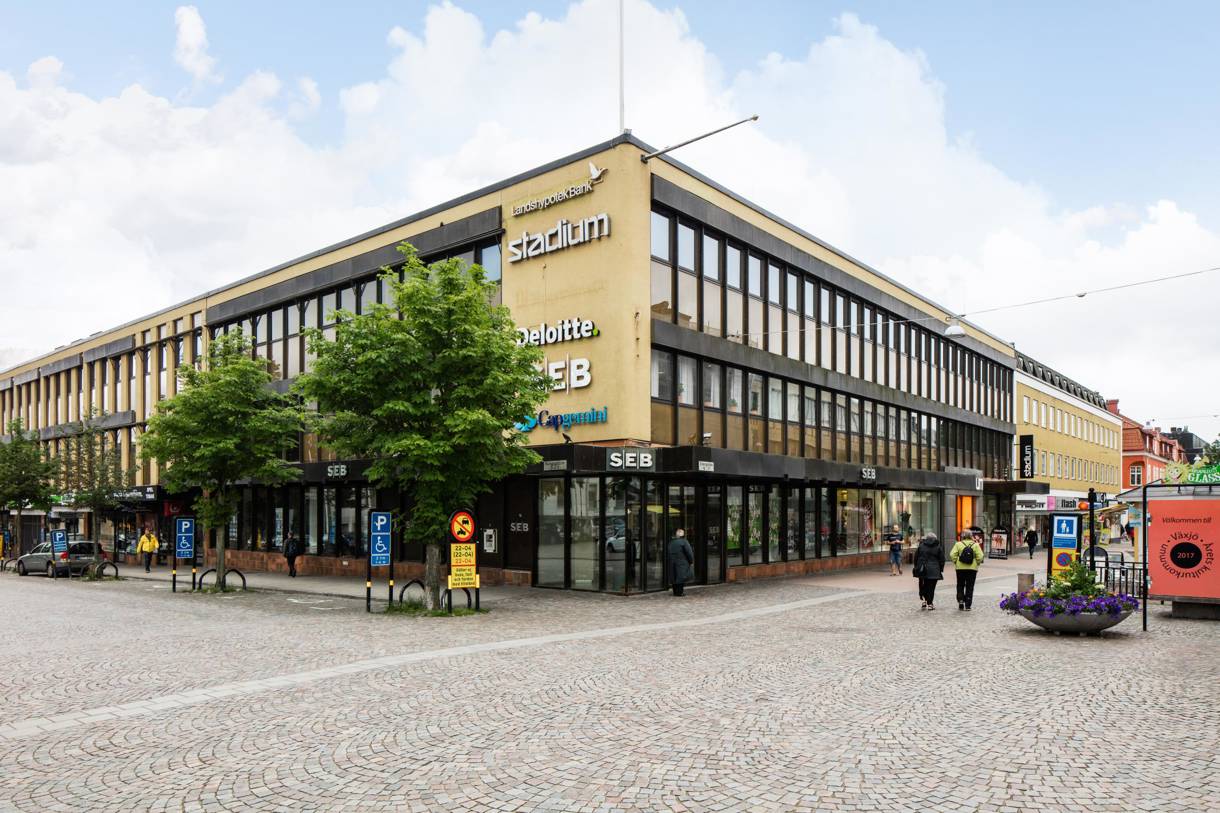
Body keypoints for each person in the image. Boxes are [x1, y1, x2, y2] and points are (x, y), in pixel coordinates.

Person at [949, 529, 984, 611]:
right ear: (971, 536)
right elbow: (980, 556)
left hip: (960, 568)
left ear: (962, 536)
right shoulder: (975, 545)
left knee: (960, 584)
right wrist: (977, 563)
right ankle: (968, 605)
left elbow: (952, 554)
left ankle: (961, 600)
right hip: (972, 569)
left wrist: (956, 561)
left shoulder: (958, 544)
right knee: (970, 586)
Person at [913, 533, 945, 610]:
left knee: (923, 585)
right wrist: (940, 569)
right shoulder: (938, 547)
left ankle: (924, 600)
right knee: (931, 587)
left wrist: (917, 567)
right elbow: (942, 559)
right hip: (934, 570)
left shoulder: (921, 546)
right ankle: (930, 604)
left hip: (922, 569)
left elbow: (916, 557)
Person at [667, 528, 694, 597]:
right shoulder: (684, 542)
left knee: (674, 576)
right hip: (682, 562)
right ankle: (679, 592)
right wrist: (691, 561)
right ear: (683, 534)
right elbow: (689, 552)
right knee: (681, 577)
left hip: (672, 562)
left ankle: (675, 592)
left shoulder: (671, 542)